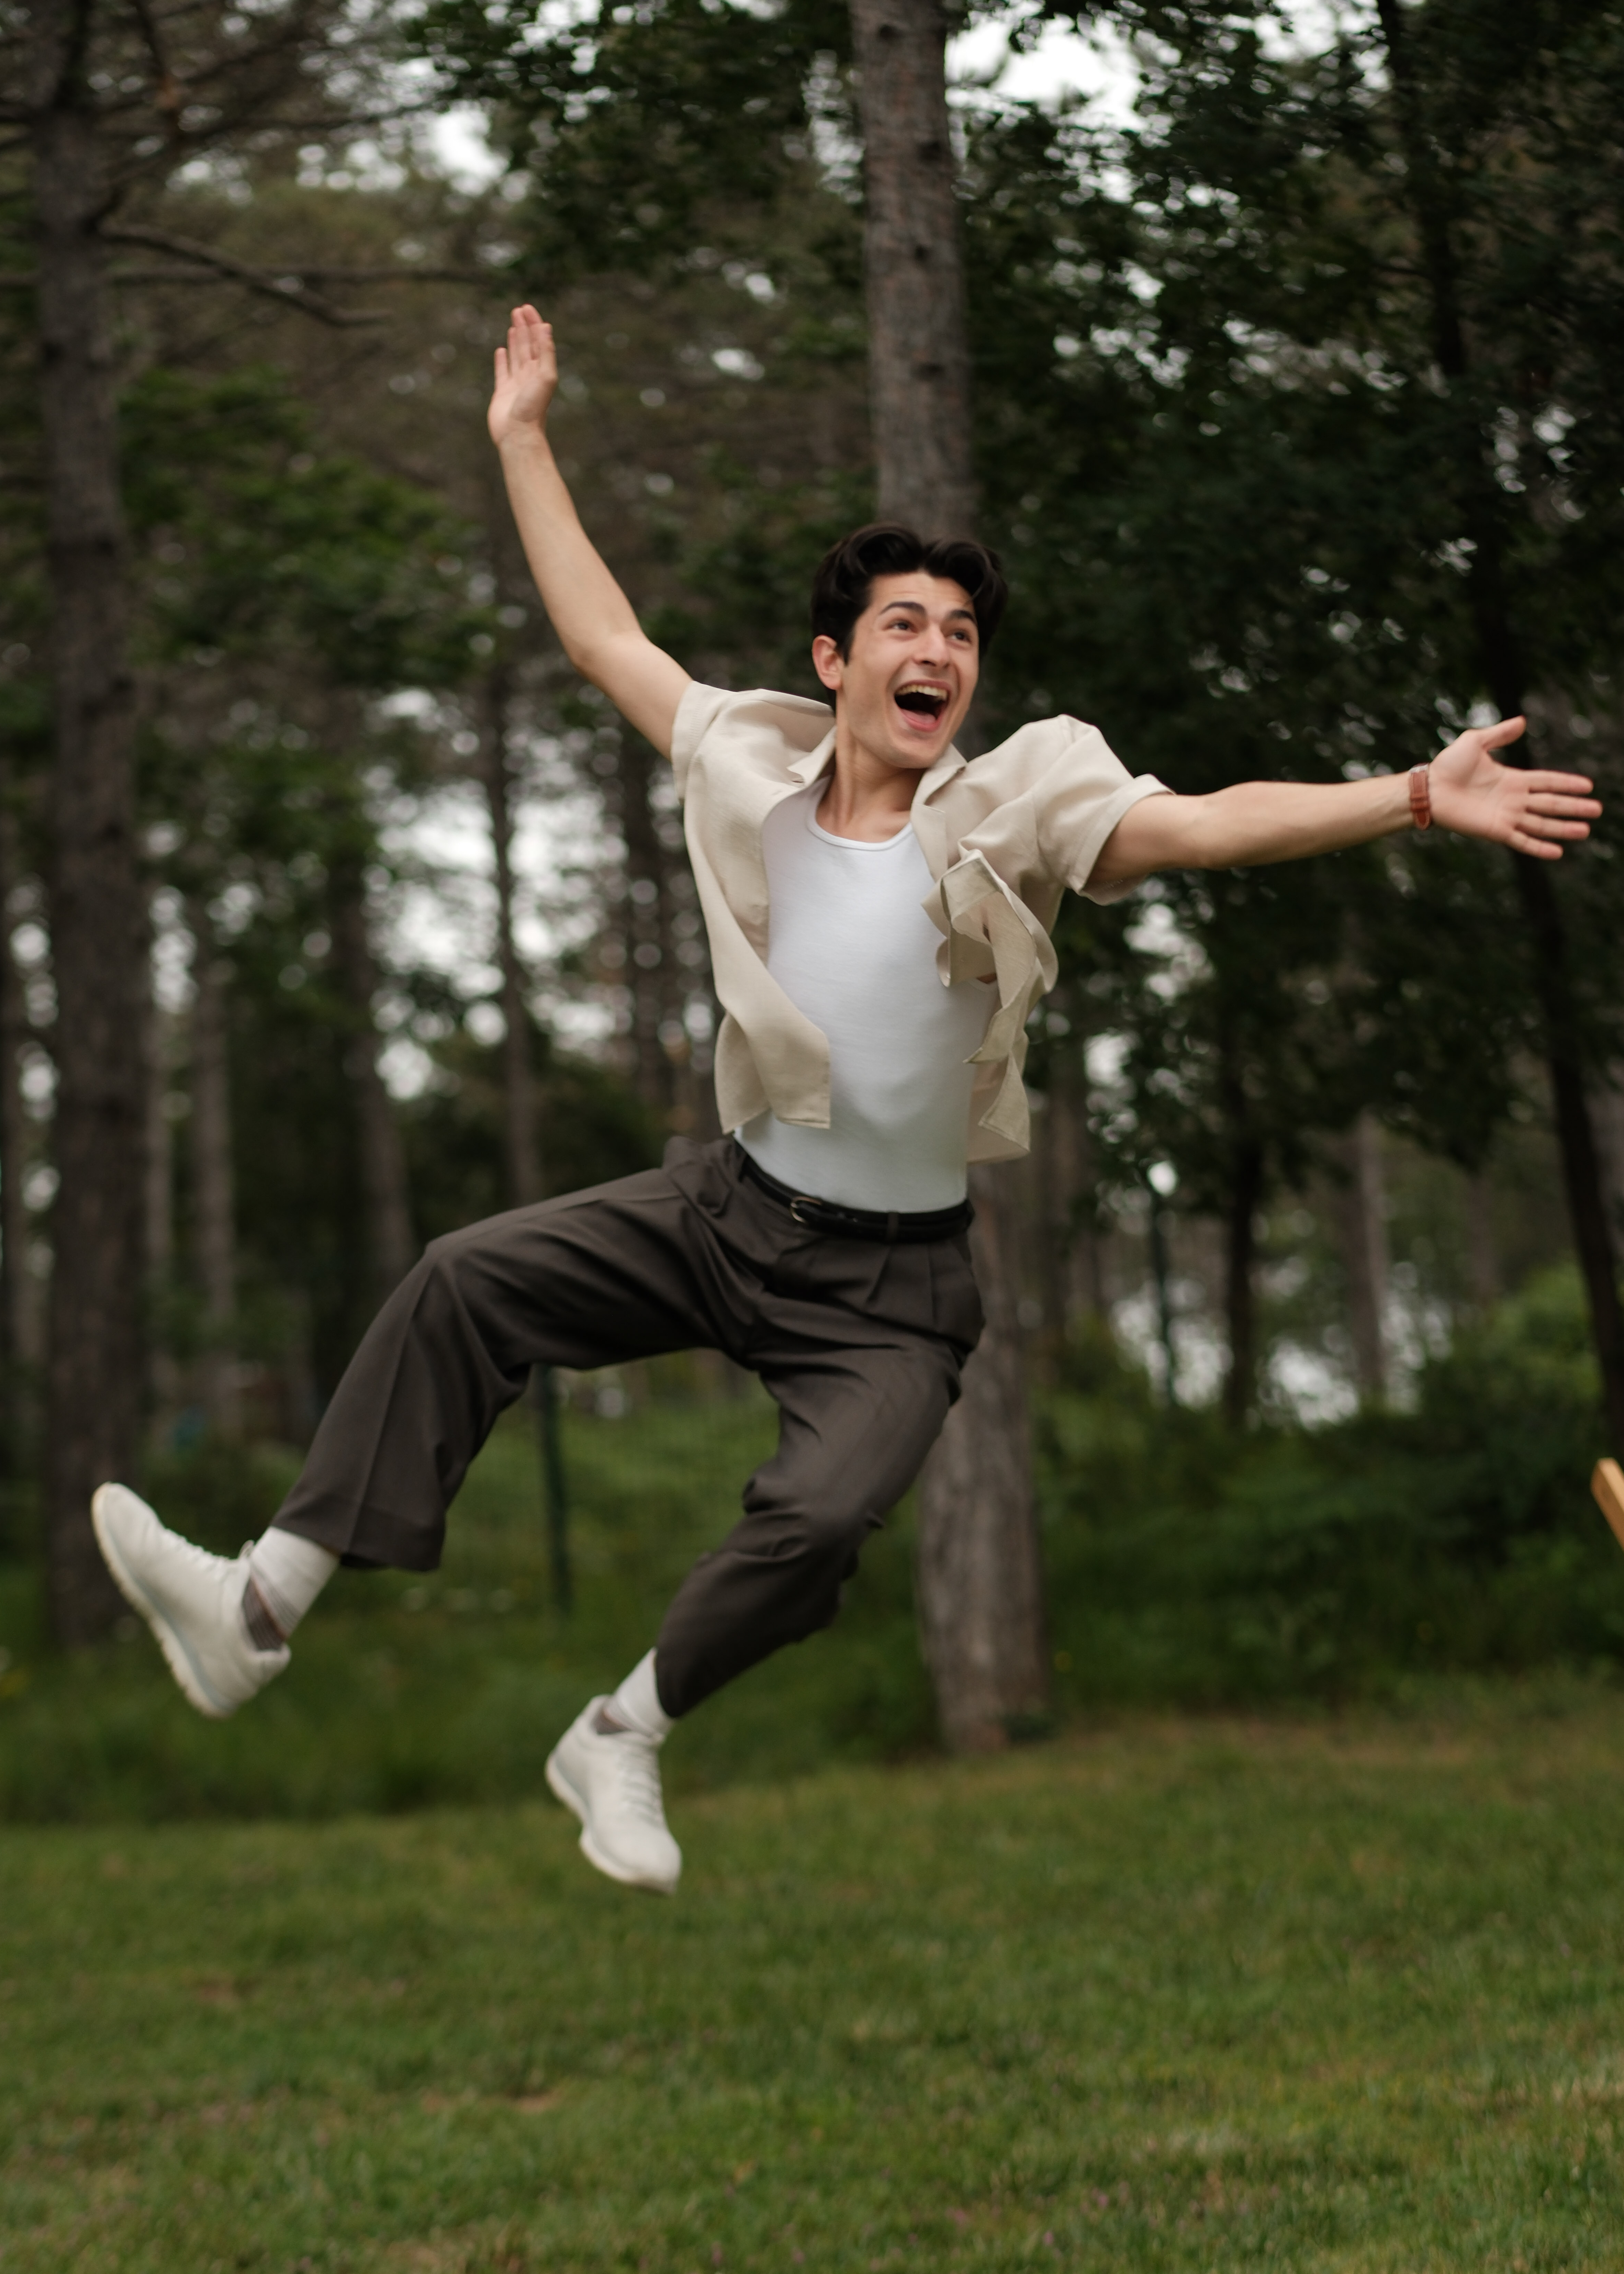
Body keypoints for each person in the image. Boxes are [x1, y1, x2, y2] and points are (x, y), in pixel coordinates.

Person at [92, 302, 1603, 1895]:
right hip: (724, 1210)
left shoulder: (1020, 798)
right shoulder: (743, 761)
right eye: (903, 625)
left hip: (892, 1287)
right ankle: (257, 1607)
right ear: (836, 661)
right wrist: (523, 440)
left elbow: (1202, 824)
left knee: (814, 1525)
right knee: (463, 1281)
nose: (937, 651)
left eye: (959, 633)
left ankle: (619, 1733)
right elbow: (605, 640)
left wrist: (1411, 795)